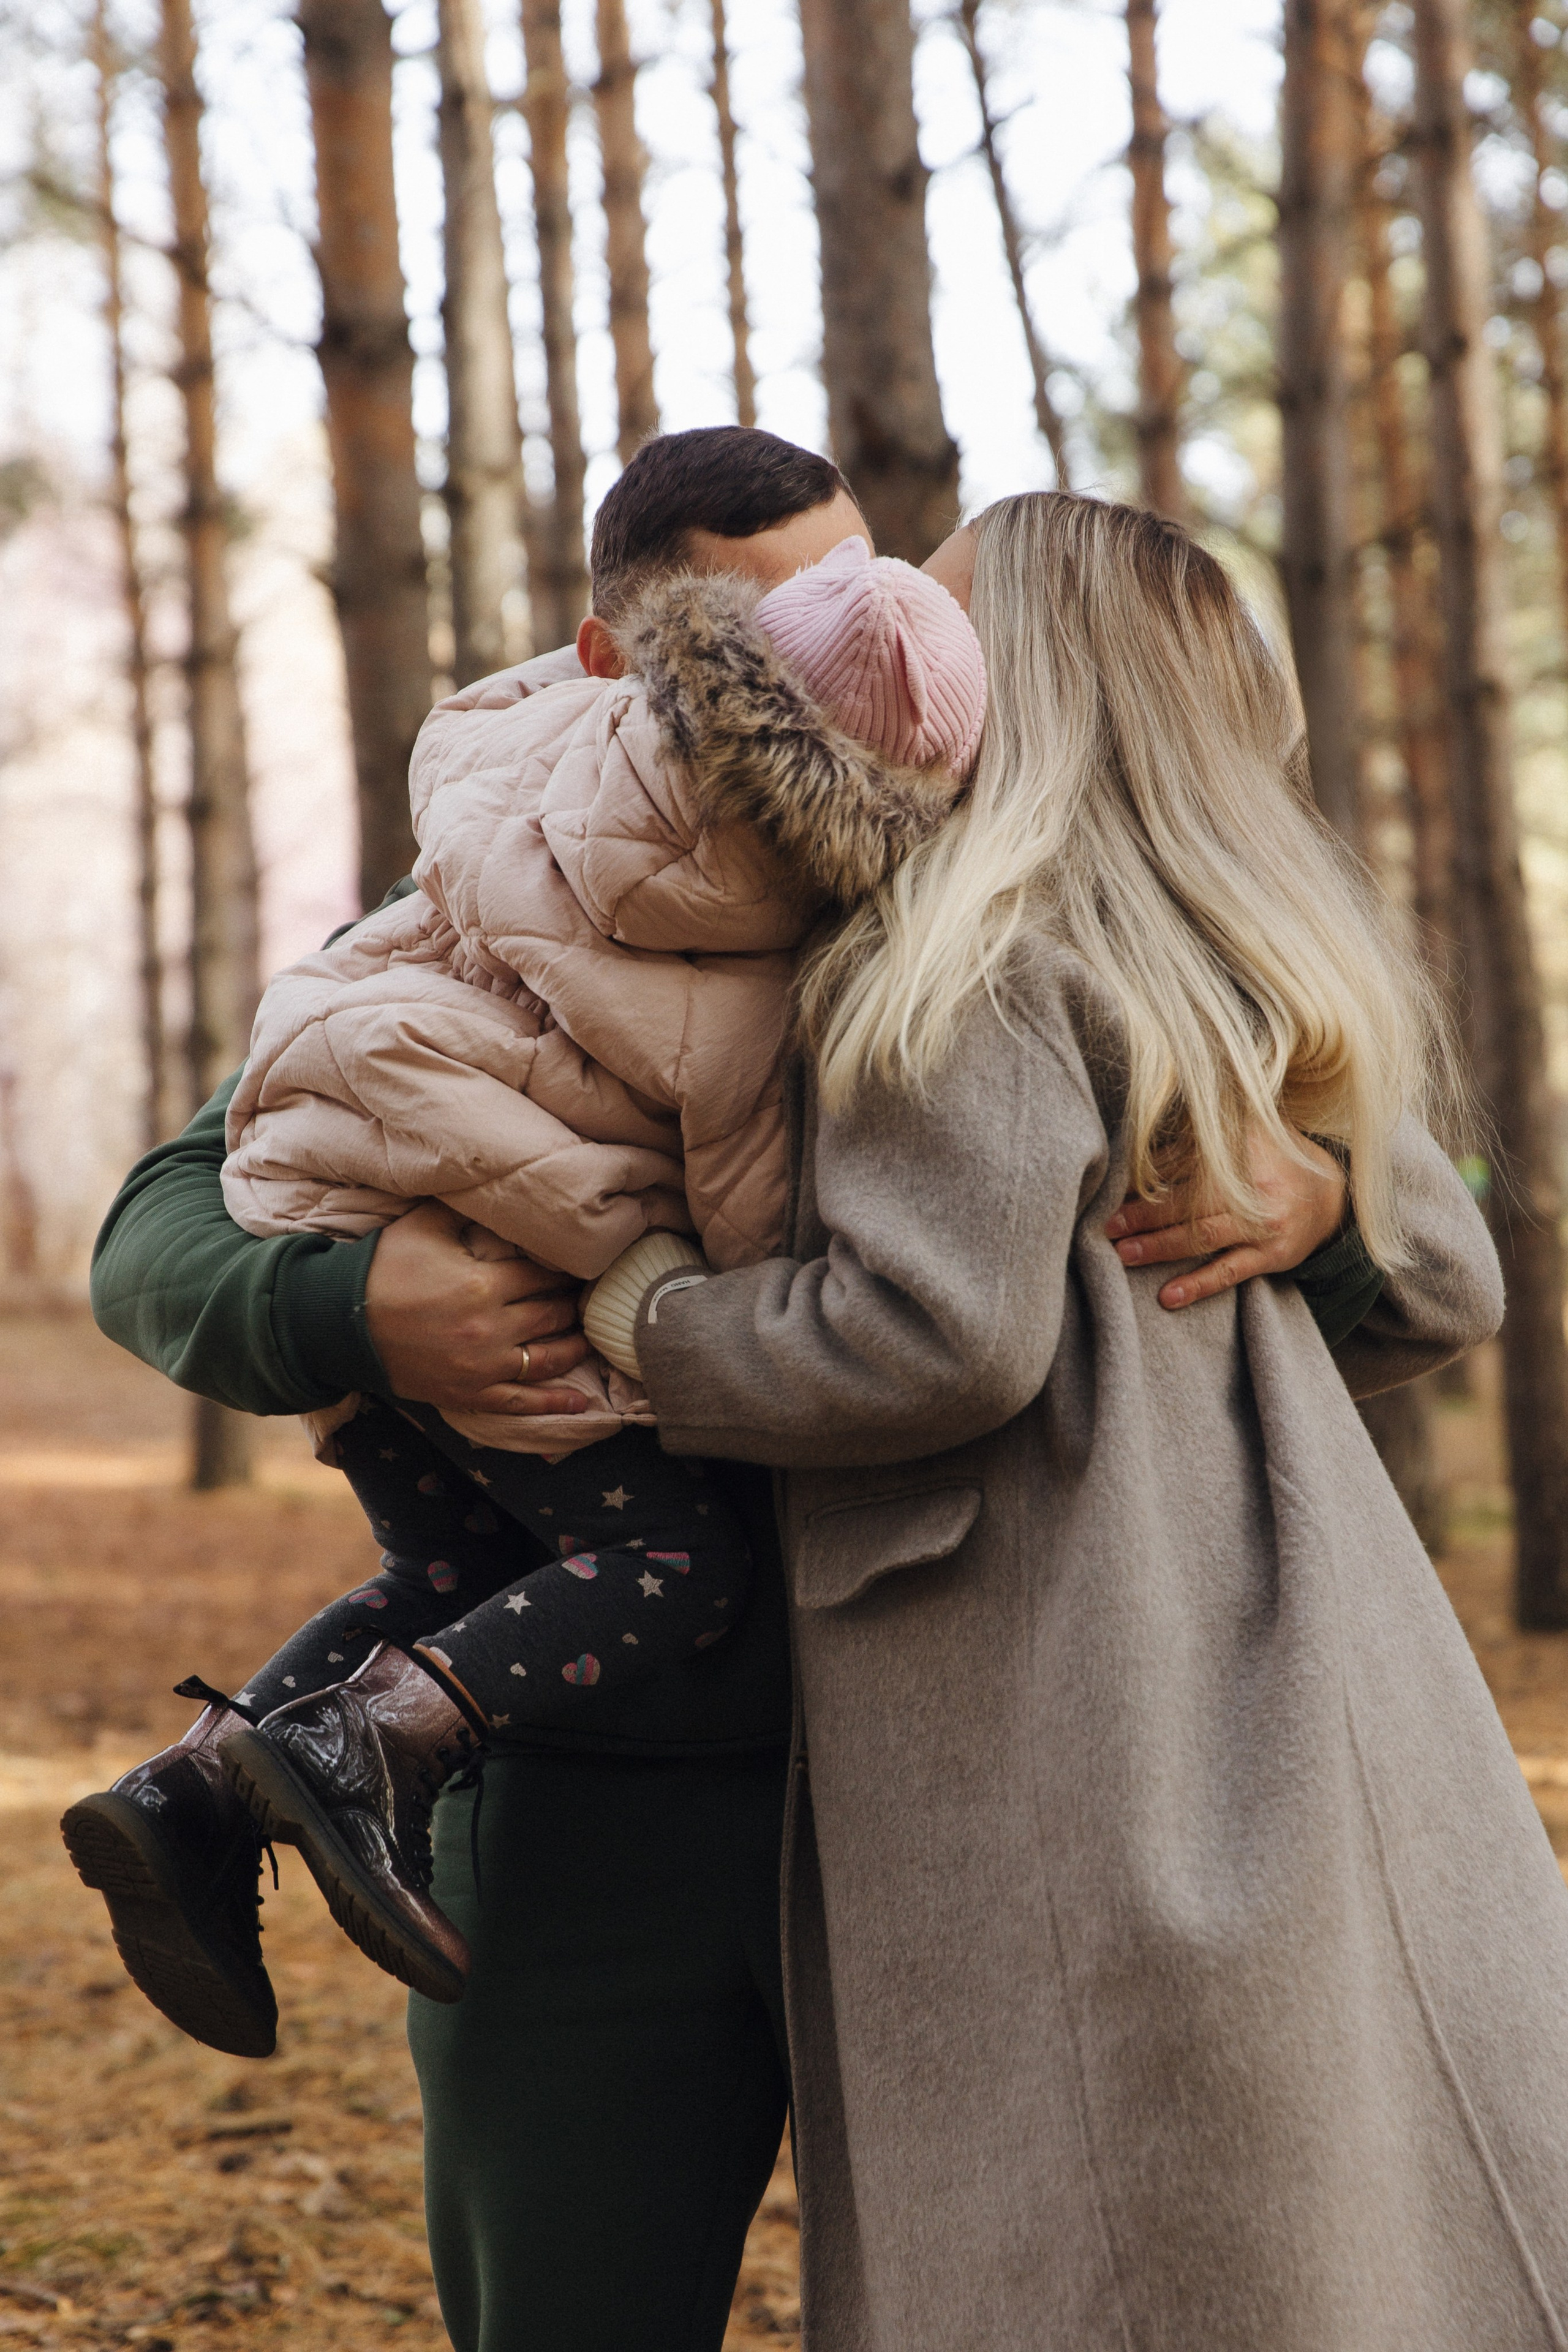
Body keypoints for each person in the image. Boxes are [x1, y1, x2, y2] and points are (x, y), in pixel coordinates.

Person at [85, 436, 1373, 2352]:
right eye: (761, 632)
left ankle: (240, 1769)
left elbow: (1402, 1114)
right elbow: (158, 1232)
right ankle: (252, 1775)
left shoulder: (1008, 872)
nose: (844, 672)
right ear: (625, 659)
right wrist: (363, 1306)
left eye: (878, 599)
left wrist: (1338, 1188)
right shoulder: (508, 886)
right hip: (599, 1817)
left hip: (975, 1791)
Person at [617, 490, 1568, 2351]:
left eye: (944, 617)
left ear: (1025, 690)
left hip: (1074, 1694)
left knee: (1106, 2210)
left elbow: (936, 1339)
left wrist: (658, 1333)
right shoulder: (1233, 953)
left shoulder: (953, 957)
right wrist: (1323, 1192)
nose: (903, 640)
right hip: (1318, 1679)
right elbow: (1457, 1275)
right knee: (1358, 2188)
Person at [70, 529, 988, 2023]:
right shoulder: (770, 954)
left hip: (317, 1175)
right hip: (457, 1307)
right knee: (673, 1563)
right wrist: (368, 1311)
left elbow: (322, 1033)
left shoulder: (509, 777)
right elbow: (747, 1184)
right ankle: (368, 1741)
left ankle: (193, 1794)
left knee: (447, 1571)